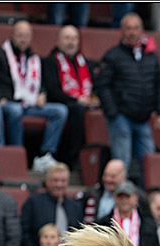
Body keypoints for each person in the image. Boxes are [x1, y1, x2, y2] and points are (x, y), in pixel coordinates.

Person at [0, 21, 68, 172]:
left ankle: (45, 155)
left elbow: (40, 82)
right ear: (12, 35)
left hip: (29, 103)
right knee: (15, 111)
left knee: (60, 111)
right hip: (7, 102)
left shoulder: (33, 58)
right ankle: (17, 153)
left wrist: (42, 94)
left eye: (26, 36)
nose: (23, 39)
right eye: (20, 35)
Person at [95, 12, 160, 184]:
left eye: (135, 28)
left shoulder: (151, 56)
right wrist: (113, 113)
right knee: (122, 164)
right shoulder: (112, 55)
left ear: (142, 30)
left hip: (143, 118)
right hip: (121, 118)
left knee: (149, 163)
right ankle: (120, 205)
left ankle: (144, 204)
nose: (132, 32)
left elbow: (158, 85)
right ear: (121, 31)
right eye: (128, 28)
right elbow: (102, 86)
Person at [42, 24, 100, 169]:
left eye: (74, 39)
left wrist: (95, 99)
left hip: (83, 103)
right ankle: (74, 159)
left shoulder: (84, 62)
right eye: (67, 38)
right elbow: (53, 91)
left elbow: (94, 86)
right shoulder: (50, 61)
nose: (71, 42)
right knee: (77, 110)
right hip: (62, 102)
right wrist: (76, 100)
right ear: (58, 41)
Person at [20, 162, 82, 246]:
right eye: (55, 180)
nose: (59, 185)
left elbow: (79, 236)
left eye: (63, 181)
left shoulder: (75, 207)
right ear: (47, 181)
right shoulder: (33, 203)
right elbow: (24, 233)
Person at [79, 158, 127, 224]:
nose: (108, 179)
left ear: (123, 178)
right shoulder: (91, 193)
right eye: (105, 175)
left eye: (113, 176)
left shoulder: (133, 197)